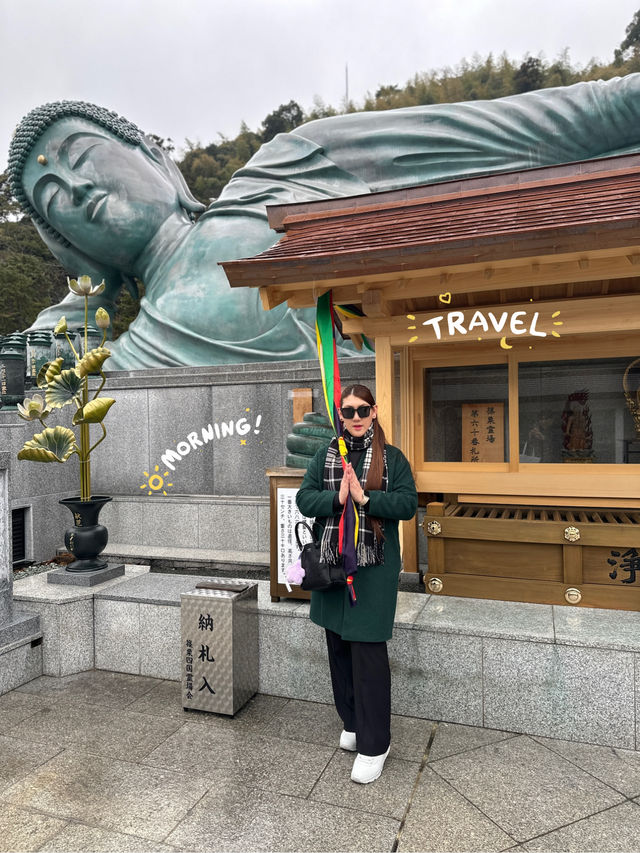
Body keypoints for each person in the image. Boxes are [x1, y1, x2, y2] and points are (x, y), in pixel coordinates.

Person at [10, 75, 640, 368]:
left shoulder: (287, 166)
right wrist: (83, 298)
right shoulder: (130, 358)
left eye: (81, 158)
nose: (76, 186)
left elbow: (519, 134)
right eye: (52, 199)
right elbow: (42, 416)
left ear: (153, 151)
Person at [296, 384, 418, 784]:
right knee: (337, 648)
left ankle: (374, 742)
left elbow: (406, 504)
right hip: (332, 565)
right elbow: (304, 498)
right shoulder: (326, 454)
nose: (356, 418)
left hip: (372, 569)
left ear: (375, 411)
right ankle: (351, 720)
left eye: (363, 410)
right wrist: (337, 497)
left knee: (367, 652)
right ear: (340, 414)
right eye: (348, 412)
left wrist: (365, 500)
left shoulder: (393, 458)